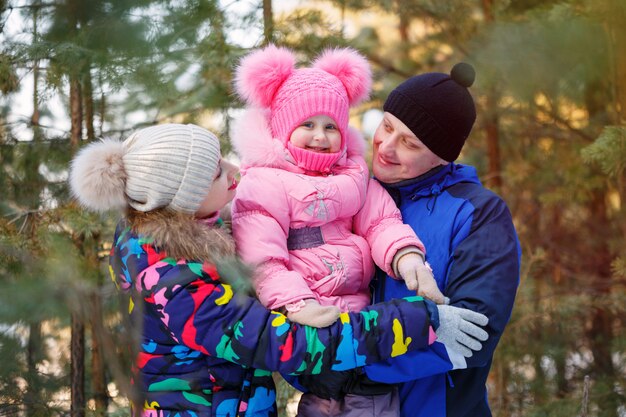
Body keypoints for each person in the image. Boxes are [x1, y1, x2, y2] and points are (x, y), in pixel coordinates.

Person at [68, 123, 483, 417]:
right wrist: (417, 321)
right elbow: (283, 343)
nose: (236, 172)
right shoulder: (175, 282)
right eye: (217, 173)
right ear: (183, 200)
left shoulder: (183, 230)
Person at [229, 46, 479, 417]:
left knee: (375, 406)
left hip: (362, 328)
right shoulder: (263, 183)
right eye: (307, 125)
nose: (320, 136)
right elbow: (263, 258)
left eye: (331, 126)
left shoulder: (354, 174)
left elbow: (381, 222)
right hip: (311, 331)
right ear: (283, 126)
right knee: (322, 406)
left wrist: (407, 258)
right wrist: (296, 304)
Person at [303, 64, 520, 417]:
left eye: (409, 143)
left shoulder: (478, 214)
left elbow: (475, 332)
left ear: (442, 156)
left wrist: (351, 363)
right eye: (386, 126)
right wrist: (310, 366)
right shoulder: (346, 195)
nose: (386, 147)